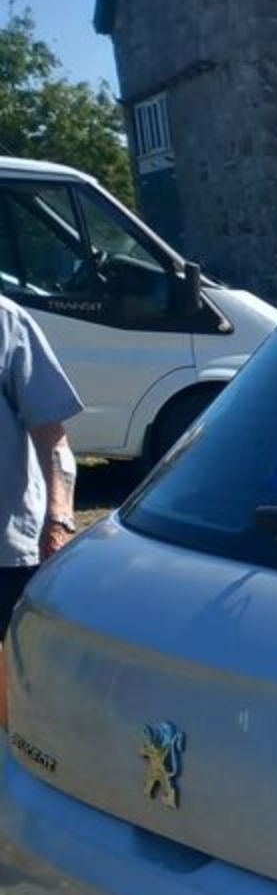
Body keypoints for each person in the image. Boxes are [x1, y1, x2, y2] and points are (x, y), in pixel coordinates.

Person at [0, 293, 84, 729]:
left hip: (9, 549)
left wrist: (59, 521)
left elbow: (54, 441)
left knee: (25, 688)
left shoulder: (6, 322)